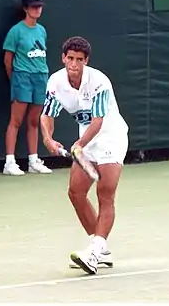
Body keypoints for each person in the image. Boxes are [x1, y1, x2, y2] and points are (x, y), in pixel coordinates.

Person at [40, 36, 129, 274]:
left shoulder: (100, 82)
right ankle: (101, 249)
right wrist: (48, 138)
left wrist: (78, 144)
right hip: (86, 143)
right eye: (70, 58)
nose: (74, 64)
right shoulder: (56, 82)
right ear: (63, 58)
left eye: (79, 59)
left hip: (111, 137)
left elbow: (98, 121)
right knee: (76, 192)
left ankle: (94, 252)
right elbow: (47, 115)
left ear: (86, 61)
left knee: (105, 193)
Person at [2, 0, 52, 175]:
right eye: (33, 6)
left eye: (39, 6)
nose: (37, 10)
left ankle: (33, 161)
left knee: (34, 121)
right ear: (25, 8)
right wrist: (15, 79)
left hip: (41, 77)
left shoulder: (42, 30)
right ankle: (9, 162)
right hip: (22, 77)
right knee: (16, 120)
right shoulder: (16, 31)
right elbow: (8, 60)